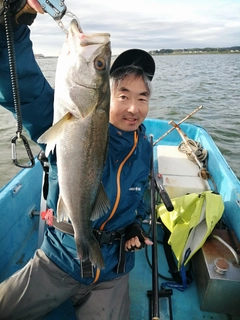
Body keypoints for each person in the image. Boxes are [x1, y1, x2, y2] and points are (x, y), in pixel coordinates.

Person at [0, 1, 155, 319]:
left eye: (142, 98)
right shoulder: (60, 117)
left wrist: (136, 226)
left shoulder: (145, 146)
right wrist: (14, 17)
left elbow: (141, 197)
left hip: (112, 274)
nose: (133, 108)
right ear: (106, 95)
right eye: (123, 95)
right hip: (59, 260)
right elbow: (17, 80)